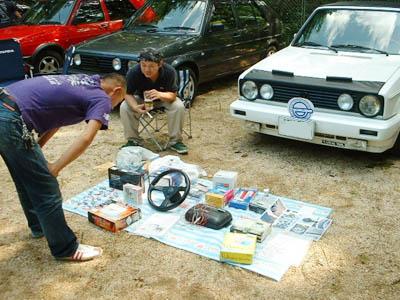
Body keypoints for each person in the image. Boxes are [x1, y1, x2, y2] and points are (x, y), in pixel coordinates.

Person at [0, 73, 126, 261]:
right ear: (116, 91)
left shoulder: (85, 81)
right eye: (119, 101)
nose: (113, 107)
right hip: (11, 119)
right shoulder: (102, 98)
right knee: (47, 189)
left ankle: (39, 226)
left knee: (25, 177)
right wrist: (55, 168)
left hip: (4, 105)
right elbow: (86, 138)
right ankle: (66, 249)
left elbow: (56, 120)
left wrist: (37, 148)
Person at [120, 47, 188, 154]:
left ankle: (175, 141)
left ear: (160, 64)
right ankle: (133, 140)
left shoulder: (169, 71)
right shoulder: (134, 72)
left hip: (163, 98)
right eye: (144, 65)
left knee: (178, 106)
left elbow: (173, 95)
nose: (147, 69)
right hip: (142, 98)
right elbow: (127, 93)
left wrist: (159, 94)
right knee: (125, 106)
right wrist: (134, 107)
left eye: (151, 66)